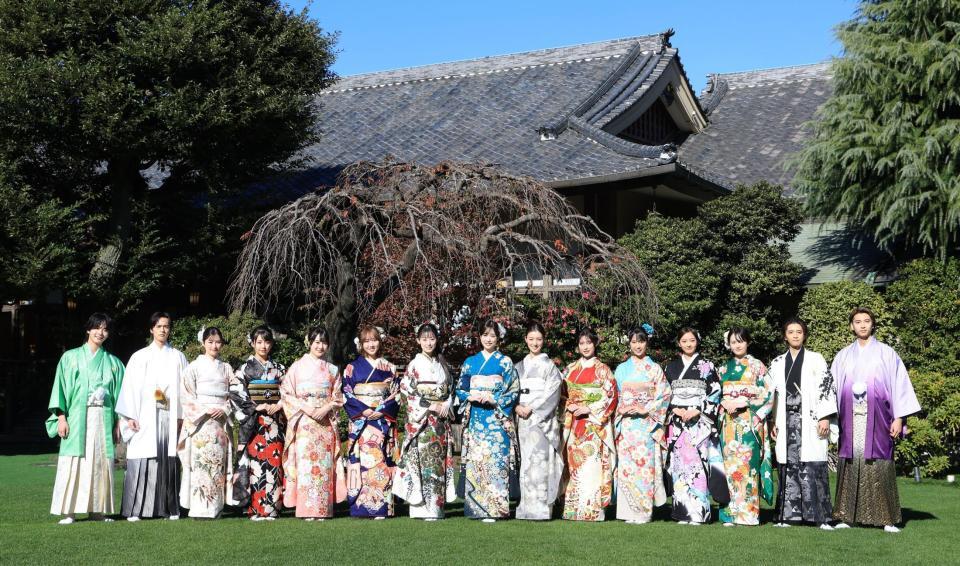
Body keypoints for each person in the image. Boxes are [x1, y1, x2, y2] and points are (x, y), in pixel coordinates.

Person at [832, 307, 921, 533]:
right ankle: (845, 516)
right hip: (850, 420)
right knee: (851, 463)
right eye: (857, 321)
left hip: (880, 418)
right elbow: (831, 389)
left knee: (880, 464)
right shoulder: (842, 355)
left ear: (872, 324)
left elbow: (900, 386)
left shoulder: (887, 353)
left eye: (866, 321)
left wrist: (899, 418)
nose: (862, 325)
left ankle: (887, 519)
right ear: (851, 326)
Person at [47, 313, 125, 524]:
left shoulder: (113, 363)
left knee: (99, 462)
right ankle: (69, 511)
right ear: (88, 330)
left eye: (105, 329)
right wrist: (61, 417)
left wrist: (119, 421)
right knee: (74, 461)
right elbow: (60, 388)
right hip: (77, 416)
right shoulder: (70, 358)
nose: (101, 332)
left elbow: (121, 395)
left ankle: (97, 511)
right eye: (97, 328)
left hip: (103, 416)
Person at [116, 312, 188, 522]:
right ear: (151, 329)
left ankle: (170, 508)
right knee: (143, 457)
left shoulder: (178, 356)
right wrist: (129, 416)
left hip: (170, 412)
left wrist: (182, 416)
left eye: (166, 326)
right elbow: (129, 387)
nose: (163, 330)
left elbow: (185, 389)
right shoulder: (139, 357)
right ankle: (135, 509)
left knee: (168, 459)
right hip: (145, 414)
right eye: (159, 326)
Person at [769, 317, 836, 529]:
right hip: (785, 418)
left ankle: (820, 516)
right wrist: (772, 419)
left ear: (804, 334)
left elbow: (826, 388)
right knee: (787, 465)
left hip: (810, 418)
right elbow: (772, 395)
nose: (795, 335)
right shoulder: (778, 362)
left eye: (799, 331)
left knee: (813, 464)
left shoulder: (817, 359)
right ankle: (787, 516)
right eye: (791, 332)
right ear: (785, 336)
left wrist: (825, 416)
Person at [455, 319, 519, 522]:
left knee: (496, 461)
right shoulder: (470, 362)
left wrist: (495, 398)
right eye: (485, 335)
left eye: (492, 335)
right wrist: (470, 396)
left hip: (496, 420)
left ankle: (496, 509)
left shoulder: (505, 362)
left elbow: (513, 390)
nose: (488, 339)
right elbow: (460, 388)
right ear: (479, 337)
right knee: (477, 462)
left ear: (498, 338)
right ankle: (476, 508)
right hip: (476, 419)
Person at [663, 327, 728, 525]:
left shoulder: (707, 365)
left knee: (698, 465)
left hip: (699, 422)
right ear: (679, 343)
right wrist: (675, 408)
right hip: (678, 421)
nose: (688, 344)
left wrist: (698, 410)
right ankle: (682, 512)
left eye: (691, 340)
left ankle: (699, 512)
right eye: (684, 341)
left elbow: (715, 391)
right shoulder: (671, 367)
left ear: (697, 341)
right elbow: (665, 393)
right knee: (680, 466)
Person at [280, 326, 345, 520]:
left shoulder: (332, 370)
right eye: (316, 341)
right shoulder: (297, 367)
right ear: (309, 342)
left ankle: (323, 509)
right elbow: (286, 393)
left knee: (323, 465)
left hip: (325, 423)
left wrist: (325, 409)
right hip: (305, 422)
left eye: (324, 342)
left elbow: (338, 397)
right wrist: (307, 409)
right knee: (306, 465)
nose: (320, 346)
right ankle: (306, 509)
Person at [394, 322, 457, 520]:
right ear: (418, 341)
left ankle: (436, 508)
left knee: (437, 464)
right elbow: (407, 390)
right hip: (422, 421)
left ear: (437, 340)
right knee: (420, 462)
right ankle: (420, 508)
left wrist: (446, 404)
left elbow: (450, 389)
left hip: (439, 422)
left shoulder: (442, 364)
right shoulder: (414, 365)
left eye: (432, 339)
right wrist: (430, 405)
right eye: (424, 339)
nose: (428, 343)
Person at [613, 324, 671, 524]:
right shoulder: (621, 369)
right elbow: (615, 396)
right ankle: (628, 512)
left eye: (641, 341)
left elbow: (664, 394)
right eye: (634, 342)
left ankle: (644, 512)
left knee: (644, 468)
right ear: (629, 343)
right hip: (628, 425)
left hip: (645, 425)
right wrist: (621, 409)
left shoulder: (654, 369)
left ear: (647, 342)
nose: (638, 346)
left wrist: (645, 409)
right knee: (627, 469)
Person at [718, 327, 774, 526]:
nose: (737, 345)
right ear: (729, 344)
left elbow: (769, 393)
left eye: (741, 341)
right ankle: (730, 514)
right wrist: (723, 403)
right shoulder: (724, 368)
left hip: (748, 421)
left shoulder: (757, 366)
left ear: (748, 342)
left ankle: (749, 514)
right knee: (730, 466)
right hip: (729, 423)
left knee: (748, 466)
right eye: (734, 342)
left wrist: (746, 403)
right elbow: (717, 393)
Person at [342, 325, 400, 518]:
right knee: (362, 462)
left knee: (381, 460)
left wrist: (382, 410)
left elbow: (396, 394)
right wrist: (364, 410)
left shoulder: (389, 368)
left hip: (382, 422)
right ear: (360, 344)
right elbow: (347, 393)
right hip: (362, 421)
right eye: (366, 341)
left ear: (380, 341)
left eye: (374, 340)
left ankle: (382, 507)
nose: (371, 344)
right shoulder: (352, 368)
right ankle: (361, 507)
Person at [560, 327, 617, 522]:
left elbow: (611, 397)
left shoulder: (603, 370)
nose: (585, 347)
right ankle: (573, 510)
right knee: (574, 466)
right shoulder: (570, 369)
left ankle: (592, 511)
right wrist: (571, 405)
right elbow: (561, 395)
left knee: (592, 467)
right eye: (582, 343)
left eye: (589, 343)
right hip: (575, 424)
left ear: (595, 344)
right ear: (578, 346)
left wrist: (589, 409)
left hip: (593, 425)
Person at [230, 325, 286, 520]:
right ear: (252, 343)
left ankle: (273, 508)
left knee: (274, 464)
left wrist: (279, 404)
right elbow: (236, 394)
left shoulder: (279, 369)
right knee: (255, 466)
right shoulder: (244, 369)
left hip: (275, 423)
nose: (263, 346)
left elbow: (288, 393)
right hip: (255, 424)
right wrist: (256, 407)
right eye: (259, 342)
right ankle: (255, 508)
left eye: (267, 341)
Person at [178, 327, 234, 519]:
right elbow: (186, 394)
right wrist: (204, 410)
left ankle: (216, 508)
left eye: (218, 341)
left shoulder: (226, 368)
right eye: (210, 342)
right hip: (201, 423)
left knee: (217, 464)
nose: (214, 345)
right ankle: (199, 508)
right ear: (203, 343)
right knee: (201, 464)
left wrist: (225, 409)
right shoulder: (193, 367)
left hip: (219, 423)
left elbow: (235, 393)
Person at [513, 322, 563, 521]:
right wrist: (516, 406)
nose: (535, 343)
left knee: (540, 463)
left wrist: (532, 408)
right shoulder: (517, 367)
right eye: (531, 339)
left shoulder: (550, 367)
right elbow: (510, 392)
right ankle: (525, 508)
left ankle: (541, 509)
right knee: (525, 463)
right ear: (525, 339)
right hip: (522, 419)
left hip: (540, 420)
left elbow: (553, 393)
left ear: (544, 340)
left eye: (539, 339)